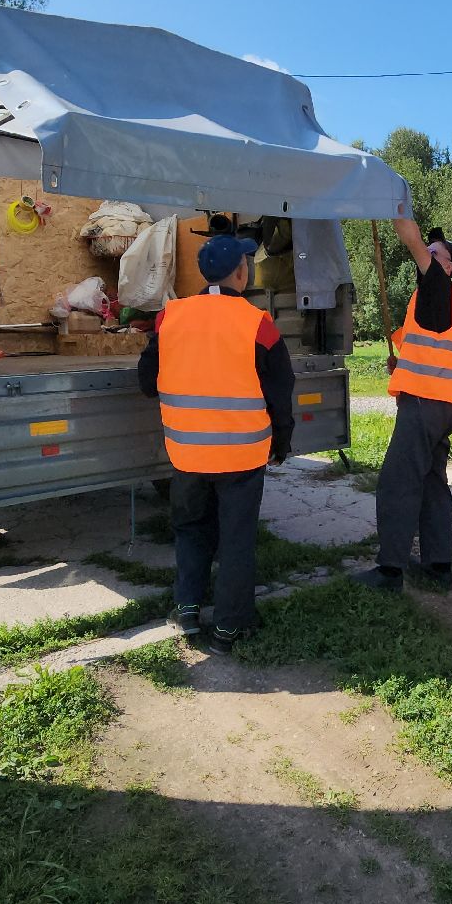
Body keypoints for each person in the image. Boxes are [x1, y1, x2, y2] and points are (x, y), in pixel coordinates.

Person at [138, 232, 295, 653]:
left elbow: (147, 382)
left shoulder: (170, 317)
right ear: (241, 272)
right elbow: (281, 392)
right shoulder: (258, 324)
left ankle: (187, 611)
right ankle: (229, 628)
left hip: (187, 454)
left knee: (191, 530)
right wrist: (282, 442)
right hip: (242, 456)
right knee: (236, 540)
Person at [353, 218, 452, 592]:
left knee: (398, 482)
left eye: (437, 253)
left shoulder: (439, 285)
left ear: (448, 266)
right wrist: (401, 364)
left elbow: (414, 243)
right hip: (443, 405)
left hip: (424, 404)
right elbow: (428, 350)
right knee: (432, 484)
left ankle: (389, 571)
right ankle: (438, 566)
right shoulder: (437, 299)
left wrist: (398, 214)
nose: (428, 254)